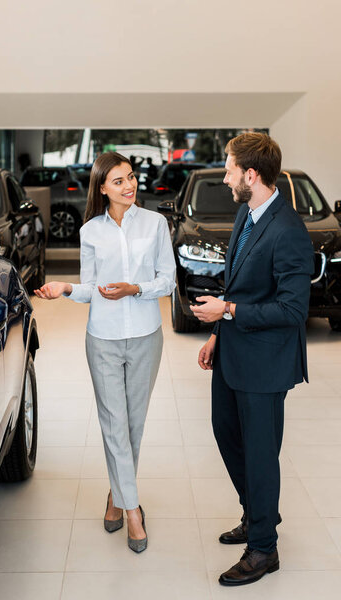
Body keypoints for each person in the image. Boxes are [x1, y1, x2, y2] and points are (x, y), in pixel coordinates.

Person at [34, 151, 175, 553]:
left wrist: (136, 288)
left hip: (147, 334)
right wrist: (64, 288)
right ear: (102, 188)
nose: (129, 186)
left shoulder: (155, 224)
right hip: (103, 339)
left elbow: (168, 280)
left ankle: (115, 496)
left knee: (133, 425)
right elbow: (91, 288)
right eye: (118, 181)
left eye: (130, 177)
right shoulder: (91, 231)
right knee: (113, 423)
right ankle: (132, 511)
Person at [190, 133, 314, 586]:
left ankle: (263, 548)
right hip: (233, 350)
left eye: (227, 170)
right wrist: (218, 334)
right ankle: (257, 514)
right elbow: (240, 287)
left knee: (261, 455)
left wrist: (229, 311)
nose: (224, 178)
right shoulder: (247, 211)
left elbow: (293, 311)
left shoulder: (289, 230)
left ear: (250, 174)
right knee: (227, 435)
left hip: (266, 363)